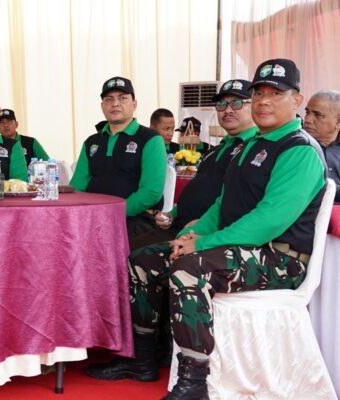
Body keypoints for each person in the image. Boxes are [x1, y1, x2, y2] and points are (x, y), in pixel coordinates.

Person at [89, 59, 326, 400]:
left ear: (297, 100)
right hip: (239, 249)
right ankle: (142, 361)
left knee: (188, 270)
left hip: (279, 259)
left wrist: (203, 245)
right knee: (144, 259)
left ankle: (194, 382)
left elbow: (268, 221)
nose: (264, 102)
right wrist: (192, 236)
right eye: (258, 93)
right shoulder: (251, 145)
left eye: (276, 94)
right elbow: (223, 205)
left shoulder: (298, 150)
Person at [130, 79, 257, 249]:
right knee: (124, 250)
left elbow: (241, 202)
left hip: (205, 235)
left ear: (255, 105)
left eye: (236, 103)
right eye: (221, 104)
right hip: (177, 227)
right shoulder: (214, 150)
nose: (227, 110)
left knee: (133, 257)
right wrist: (172, 215)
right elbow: (198, 189)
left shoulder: (255, 149)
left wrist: (204, 225)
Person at [70, 76, 166, 241]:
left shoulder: (150, 139)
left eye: (122, 98)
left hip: (133, 220)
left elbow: (151, 192)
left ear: (134, 104)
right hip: (92, 219)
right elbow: (77, 186)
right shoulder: (92, 142)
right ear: (102, 106)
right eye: (109, 99)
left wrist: (113, 212)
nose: (115, 104)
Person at [304, 90, 340, 203]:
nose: (308, 120)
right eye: (307, 113)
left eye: (318, 115)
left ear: (338, 122)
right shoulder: (297, 146)